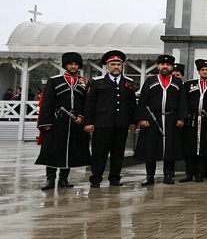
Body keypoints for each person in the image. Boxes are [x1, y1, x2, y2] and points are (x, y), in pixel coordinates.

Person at [35, 52, 90, 190]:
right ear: (65, 65)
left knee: (71, 150)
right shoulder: (54, 80)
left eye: (76, 64)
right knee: (53, 150)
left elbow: (87, 102)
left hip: (75, 122)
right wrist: (46, 122)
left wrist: (82, 116)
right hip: (57, 121)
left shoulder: (84, 82)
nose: (73, 66)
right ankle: (50, 179)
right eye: (71, 64)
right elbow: (47, 102)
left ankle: (63, 179)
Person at [84, 50, 136, 188]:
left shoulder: (128, 83)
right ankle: (96, 178)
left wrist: (132, 121)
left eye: (119, 64)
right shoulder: (97, 82)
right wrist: (89, 122)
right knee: (99, 153)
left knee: (118, 153)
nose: (116, 67)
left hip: (121, 124)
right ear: (107, 66)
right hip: (102, 124)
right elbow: (89, 104)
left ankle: (115, 178)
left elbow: (132, 104)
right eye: (113, 64)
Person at [135, 55, 187, 186]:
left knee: (169, 148)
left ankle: (168, 175)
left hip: (171, 118)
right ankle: (150, 176)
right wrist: (142, 118)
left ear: (171, 67)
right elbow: (142, 101)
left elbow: (182, 101)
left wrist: (181, 118)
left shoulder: (177, 82)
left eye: (168, 65)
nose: (165, 67)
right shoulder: (150, 81)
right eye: (162, 64)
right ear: (158, 66)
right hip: (153, 118)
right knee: (150, 148)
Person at [180, 59, 207, 183]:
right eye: (203, 70)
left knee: (204, 147)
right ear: (198, 71)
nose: (205, 72)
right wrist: (183, 117)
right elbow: (183, 102)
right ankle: (189, 173)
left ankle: (200, 173)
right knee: (190, 146)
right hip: (192, 120)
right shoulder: (189, 84)